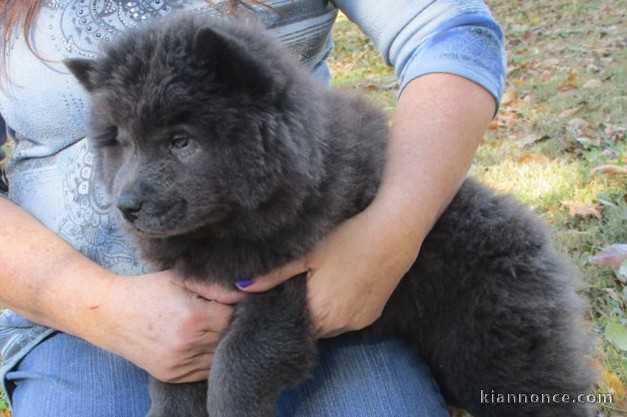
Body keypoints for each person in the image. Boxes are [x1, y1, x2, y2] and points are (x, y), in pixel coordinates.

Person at [0, 1, 505, 416]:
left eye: (177, 141)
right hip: (68, 314)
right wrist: (95, 304)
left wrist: (390, 232)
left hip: (318, 275)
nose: (126, 189)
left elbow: (451, 31)